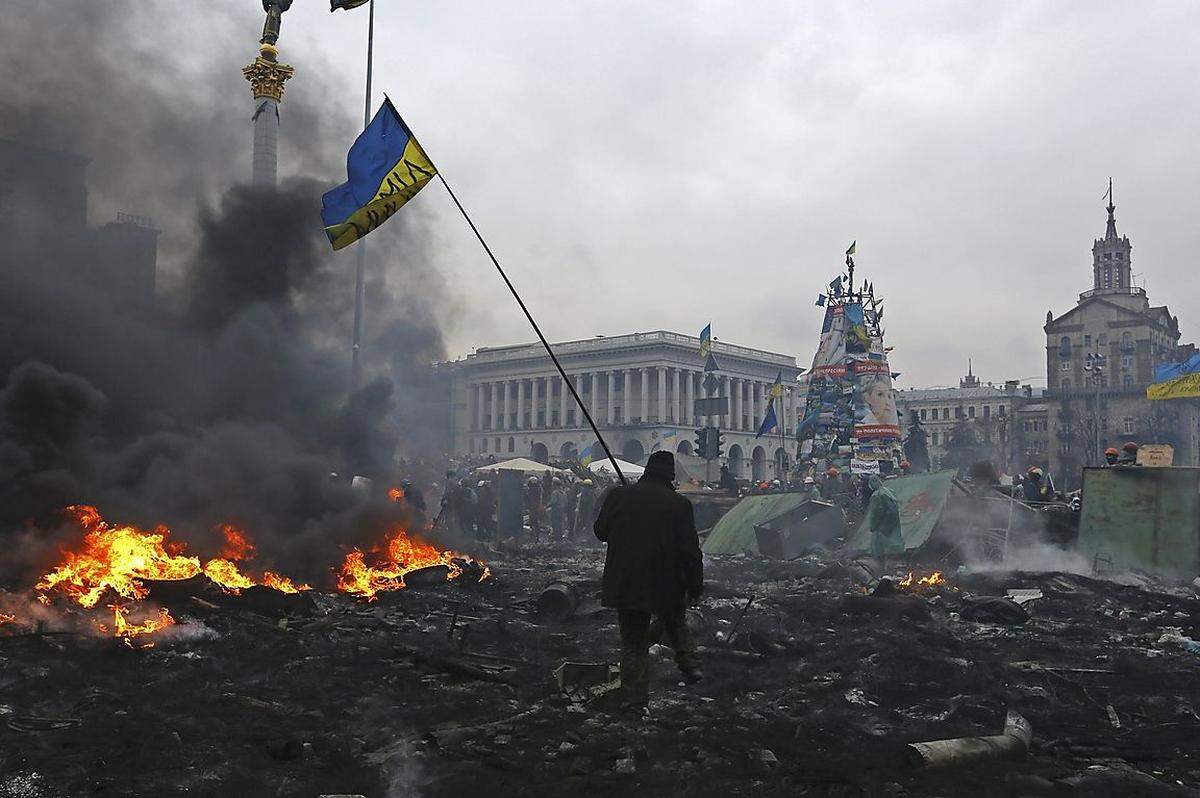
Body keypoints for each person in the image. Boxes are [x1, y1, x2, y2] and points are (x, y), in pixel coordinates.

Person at [594, 451, 703, 711]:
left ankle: (634, 700)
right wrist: (695, 585)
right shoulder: (679, 505)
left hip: (627, 580)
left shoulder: (619, 496)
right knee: (675, 617)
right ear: (671, 476)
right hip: (666, 581)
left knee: (634, 643)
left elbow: (601, 532)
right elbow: (690, 550)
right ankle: (689, 662)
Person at [865, 474, 903, 571]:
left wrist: (873, 526)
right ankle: (895, 568)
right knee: (893, 547)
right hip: (893, 525)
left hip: (881, 527)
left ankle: (882, 571)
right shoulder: (890, 491)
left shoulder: (876, 495)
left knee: (879, 549)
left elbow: (876, 513)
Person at [524, 477, 545, 542]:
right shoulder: (539, 489)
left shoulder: (532, 490)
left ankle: (533, 536)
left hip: (533, 508)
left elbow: (529, 499)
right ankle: (536, 536)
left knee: (533, 522)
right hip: (536, 508)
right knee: (535, 522)